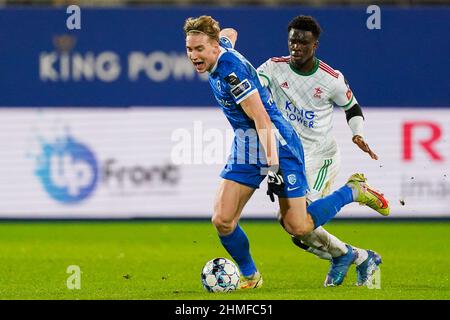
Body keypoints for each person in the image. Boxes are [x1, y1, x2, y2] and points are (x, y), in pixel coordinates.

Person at [184, 15, 389, 289]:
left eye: (199, 49)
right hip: (247, 143)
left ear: (212, 47)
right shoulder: (220, 47)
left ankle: (353, 190)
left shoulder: (231, 74)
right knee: (222, 220)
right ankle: (251, 277)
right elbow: (231, 32)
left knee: (298, 226)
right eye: (189, 49)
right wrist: (220, 37)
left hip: (277, 142)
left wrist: (272, 167)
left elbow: (262, 119)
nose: (193, 55)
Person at [253, 15, 385, 286]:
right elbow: (257, 86)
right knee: (291, 226)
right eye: (292, 41)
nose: (296, 47)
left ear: (315, 45)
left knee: (300, 222)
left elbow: (352, 107)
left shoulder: (330, 78)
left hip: (320, 155)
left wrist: (357, 133)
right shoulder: (274, 67)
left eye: (303, 42)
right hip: (289, 158)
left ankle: (353, 191)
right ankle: (354, 256)